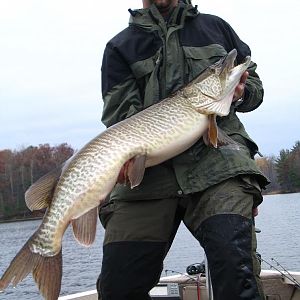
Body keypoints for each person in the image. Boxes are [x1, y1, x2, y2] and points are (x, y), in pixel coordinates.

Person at [97, 0, 269, 299]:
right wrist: (125, 159)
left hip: (219, 165)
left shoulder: (215, 27)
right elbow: (121, 117)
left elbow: (254, 87)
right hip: (147, 179)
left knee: (234, 267)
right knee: (118, 288)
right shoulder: (119, 47)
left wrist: (240, 92)